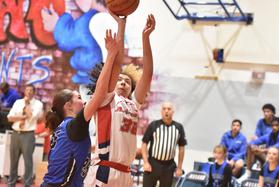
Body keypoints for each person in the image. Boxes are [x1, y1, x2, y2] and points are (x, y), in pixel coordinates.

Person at [83, 13, 156, 186]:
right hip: (104, 170)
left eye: (127, 81)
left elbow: (148, 72)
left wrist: (145, 37)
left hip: (125, 173)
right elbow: (117, 63)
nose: (123, 82)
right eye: (119, 80)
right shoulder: (107, 99)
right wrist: (121, 26)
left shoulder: (134, 104)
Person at [41, 28, 119, 186]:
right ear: (68, 106)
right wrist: (111, 55)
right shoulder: (74, 125)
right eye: (78, 97)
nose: (83, 101)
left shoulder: (62, 129)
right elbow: (99, 94)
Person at [141, 102, 187, 187]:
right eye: (164, 109)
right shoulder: (153, 125)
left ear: (173, 111)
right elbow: (144, 144)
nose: (166, 111)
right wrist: (146, 162)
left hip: (168, 166)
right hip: (152, 164)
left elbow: (181, 148)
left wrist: (179, 167)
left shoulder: (178, 127)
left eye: (169, 109)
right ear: (161, 111)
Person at [7, 84, 43, 187]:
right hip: (15, 133)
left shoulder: (38, 104)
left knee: (28, 162)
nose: (28, 92)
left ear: (34, 92)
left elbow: (31, 117)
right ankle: (11, 184)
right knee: (13, 161)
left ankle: (27, 184)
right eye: (27, 90)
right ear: (24, 91)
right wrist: (22, 117)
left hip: (28, 134)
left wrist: (27, 104)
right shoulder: (18, 102)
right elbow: (10, 118)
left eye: (31, 90)